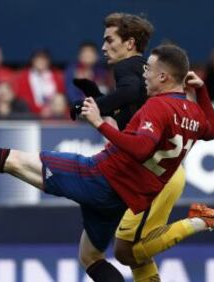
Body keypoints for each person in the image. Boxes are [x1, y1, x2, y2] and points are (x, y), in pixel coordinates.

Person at [0, 44, 214, 282]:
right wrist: (203, 93)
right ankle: (197, 223)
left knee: (9, 160)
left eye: (148, 70)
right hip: (122, 196)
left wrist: (100, 123)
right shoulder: (195, 113)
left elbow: (140, 149)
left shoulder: (158, 107)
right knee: (92, 258)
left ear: (165, 78)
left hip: (100, 177)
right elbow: (211, 130)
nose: (144, 74)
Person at [71, 13, 185, 281]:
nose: (103, 47)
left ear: (130, 43)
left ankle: (198, 222)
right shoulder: (143, 70)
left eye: (109, 40)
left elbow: (131, 91)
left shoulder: (127, 68)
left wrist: (97, 106)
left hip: (154, 175)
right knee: (136, 256)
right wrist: (98, 97)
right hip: (163, 172)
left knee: (125, 252)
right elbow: (133, 103)